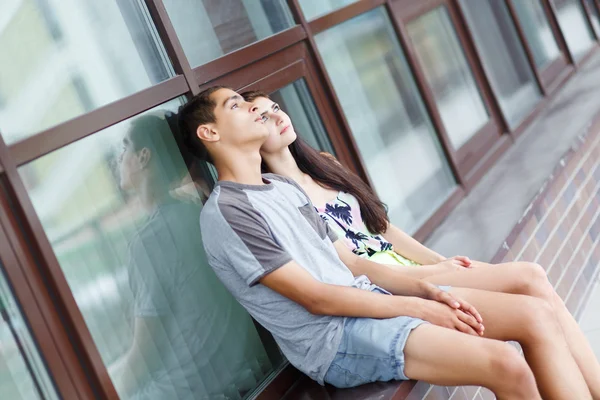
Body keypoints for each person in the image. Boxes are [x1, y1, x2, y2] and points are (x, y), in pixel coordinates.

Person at [177, 85, 593, 399]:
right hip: (336, 338)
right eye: (237, 105)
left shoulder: (280, 190)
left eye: (263, 106)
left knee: (535, 315)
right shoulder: (228, 213)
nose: (255, 109)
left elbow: (352, 262)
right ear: (210, 132)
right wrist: (421, 304)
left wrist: (429, 285)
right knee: (507, 365)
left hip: (374, 299)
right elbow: (319, 300)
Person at [109, 111, 272, 399]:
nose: (118, 158)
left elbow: (146, 353)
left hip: (201, 389)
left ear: (144, 157)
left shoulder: (150, 241)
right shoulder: (198, 211)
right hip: (248, 372)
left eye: (125, 148)